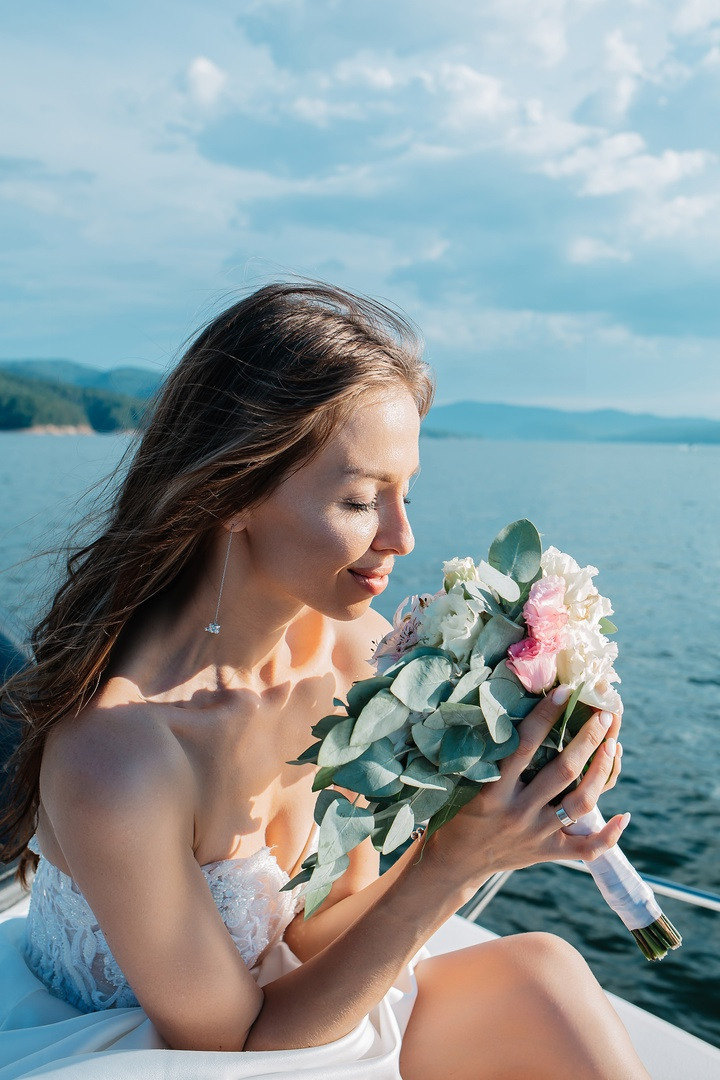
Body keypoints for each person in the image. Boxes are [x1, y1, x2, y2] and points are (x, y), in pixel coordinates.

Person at [0, 282, 650, 1080]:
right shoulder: (115, 754)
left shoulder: (361, 653)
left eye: (405, 492)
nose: (402, 537)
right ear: (230, 495)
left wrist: (502, 818)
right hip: (165, 1055)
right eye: (359, 500)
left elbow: (315, 930)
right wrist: (454, 862)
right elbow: (232, 1050)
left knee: (548, 972)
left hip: (308, 1001)